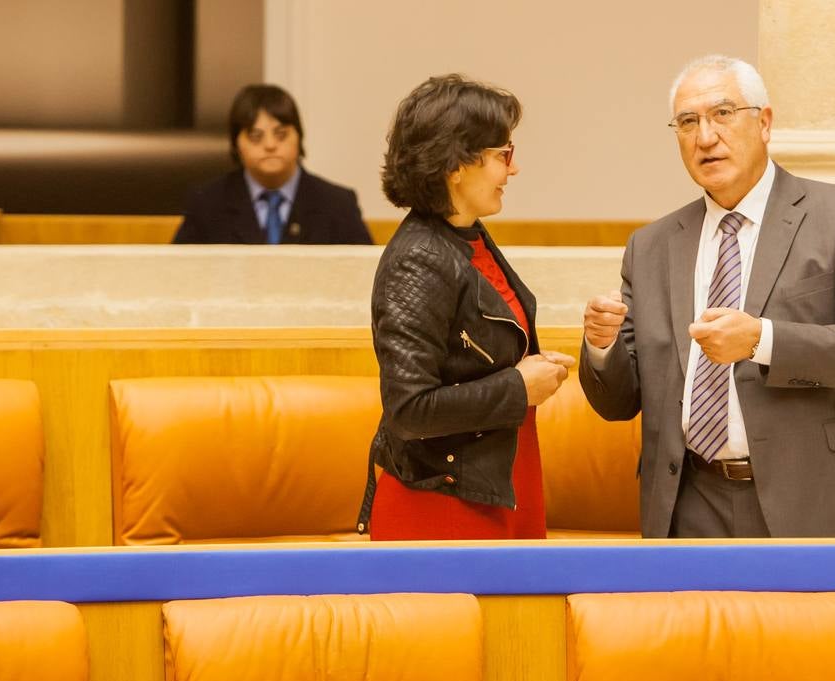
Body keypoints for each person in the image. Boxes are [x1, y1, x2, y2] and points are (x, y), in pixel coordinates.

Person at [579, 55, 835, 539]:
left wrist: (763, 340)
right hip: (689, 504)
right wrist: (600, 345)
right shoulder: (650, 247)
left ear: (765, 122)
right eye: (688, 122)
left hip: (816, 495)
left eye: (722, 114)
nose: (705, 137)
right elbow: (619, 402)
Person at [358, 74, 574, 540]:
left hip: (495, 484)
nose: (512, 170)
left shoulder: (467, 234)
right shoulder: (418, 258)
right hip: (442, 506)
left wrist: (529, 367)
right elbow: (410, 410)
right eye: (503, 155)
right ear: (456, 164)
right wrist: (519, 386)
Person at [173, 84, 372, 245]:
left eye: (281, 135)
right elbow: (177, 278)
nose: (270, 145)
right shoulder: (207, 204)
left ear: (299, 137)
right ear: (236, 144)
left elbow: (366, 278)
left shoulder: (337, 204)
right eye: (255, 137)